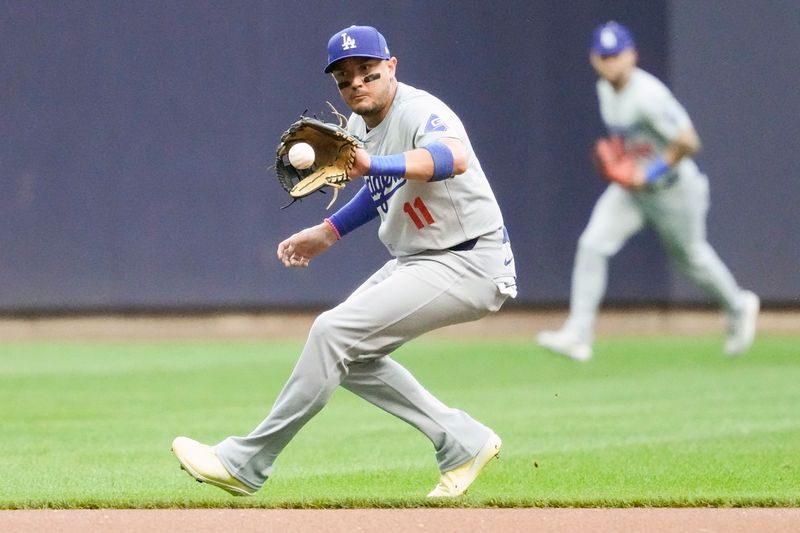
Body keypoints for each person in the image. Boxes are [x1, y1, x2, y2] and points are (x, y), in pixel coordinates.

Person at [172, 25, 517, 498]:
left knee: (331, 333)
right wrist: (328, 231)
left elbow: (452, 158)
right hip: (421, 258)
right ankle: (461, 441)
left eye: (368, 72)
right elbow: (382, 191)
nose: (357, 83)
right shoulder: (357, 127)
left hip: (468, 260)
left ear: (391, 68)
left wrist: (373, 165)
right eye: (345, 78)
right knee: (342, 352)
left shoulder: (421, 111)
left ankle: (246, 463)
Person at [537, 21, 759, 362]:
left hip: (673, 190)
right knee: (592, 245)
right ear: (594, 60)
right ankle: (579, 336)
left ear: (632, 55)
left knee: (693, 257)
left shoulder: (648, 94)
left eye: (615, 55)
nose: (610, 62)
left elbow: (689, 140)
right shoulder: (605, 89)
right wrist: (622, 161)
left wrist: (650, 171)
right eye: (603, 56)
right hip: (633, 192)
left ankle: (738, 305)